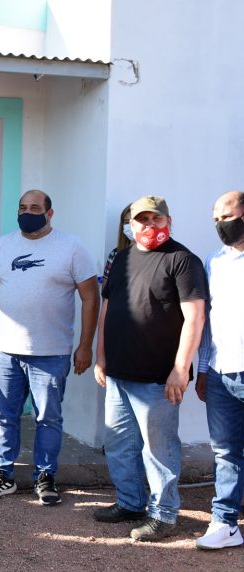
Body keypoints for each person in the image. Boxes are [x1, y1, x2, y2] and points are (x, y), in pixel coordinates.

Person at [93, 195, 207, 542]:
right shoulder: (124, 258)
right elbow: (107, 310)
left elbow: (195, 317)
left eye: (155, 220)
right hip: (118, 374)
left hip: (159, 377)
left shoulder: (182, 260)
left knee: (158, 449)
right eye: (142, 220)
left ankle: (164, 515)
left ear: (167, 221)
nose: (148, 226)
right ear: (132, 225)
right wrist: (101, 357)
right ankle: (130, 502)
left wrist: (180, 368)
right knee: (118, 444)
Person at [0, 190, 99, 505]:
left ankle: (45, 477)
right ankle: (2, 475)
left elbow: (90, 296)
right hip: (6, 352)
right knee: (4, 416)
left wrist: (85, 345)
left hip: (51, 353)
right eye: (22, 207)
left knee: (48, 419)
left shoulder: (71, 246)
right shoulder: (4, 244)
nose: (27, 212)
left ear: (49, 213)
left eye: (34, 207)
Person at [193, 191, 244, 550]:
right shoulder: (215, 261)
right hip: (223, 374)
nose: (219, 225)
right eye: (215, 219)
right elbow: (208, 323)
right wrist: (204, 369)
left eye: (226, 217)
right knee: (225, 452)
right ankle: (225, 523)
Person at [101, 205, 133, 290]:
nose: (130, 225)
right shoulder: (115, 254)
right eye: (126, 222)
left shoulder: (155, 255)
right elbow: (105, 288)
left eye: (133, 221)